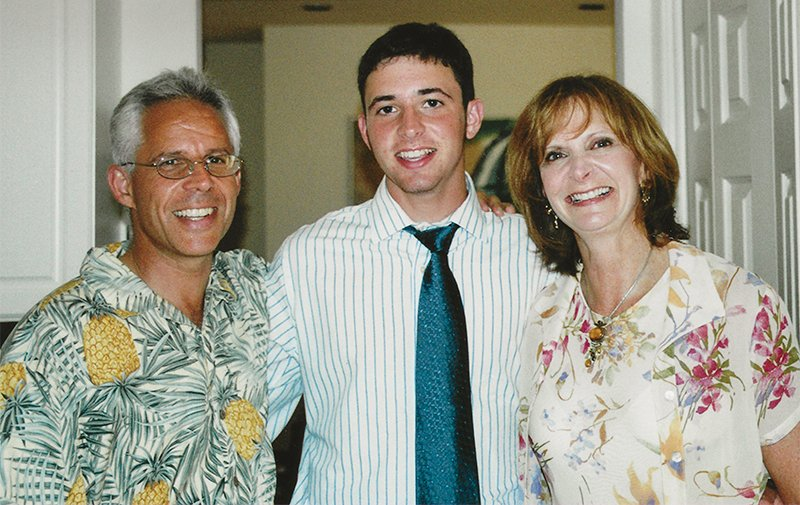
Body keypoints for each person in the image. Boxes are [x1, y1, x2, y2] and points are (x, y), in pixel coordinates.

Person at [263, 22, 553, 504]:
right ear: (365, 130)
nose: (409, 127)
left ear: (472, 117)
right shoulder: (305, 260)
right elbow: (245, 425)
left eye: (432, 102)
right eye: (386, 108)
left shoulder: (539, 255)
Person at [507, 74, 800, 504]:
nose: (580, 169)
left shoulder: (736, 303)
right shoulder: (544, 316)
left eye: (600, 143)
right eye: (556, 154)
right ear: (541, 187)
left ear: (643, 165)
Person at [0, 68, 276, 504]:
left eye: (216, 160)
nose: (201, 180)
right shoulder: (51, 339)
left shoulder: (256, 295)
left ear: (238, 179)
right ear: (123, 185)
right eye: (171, 163)